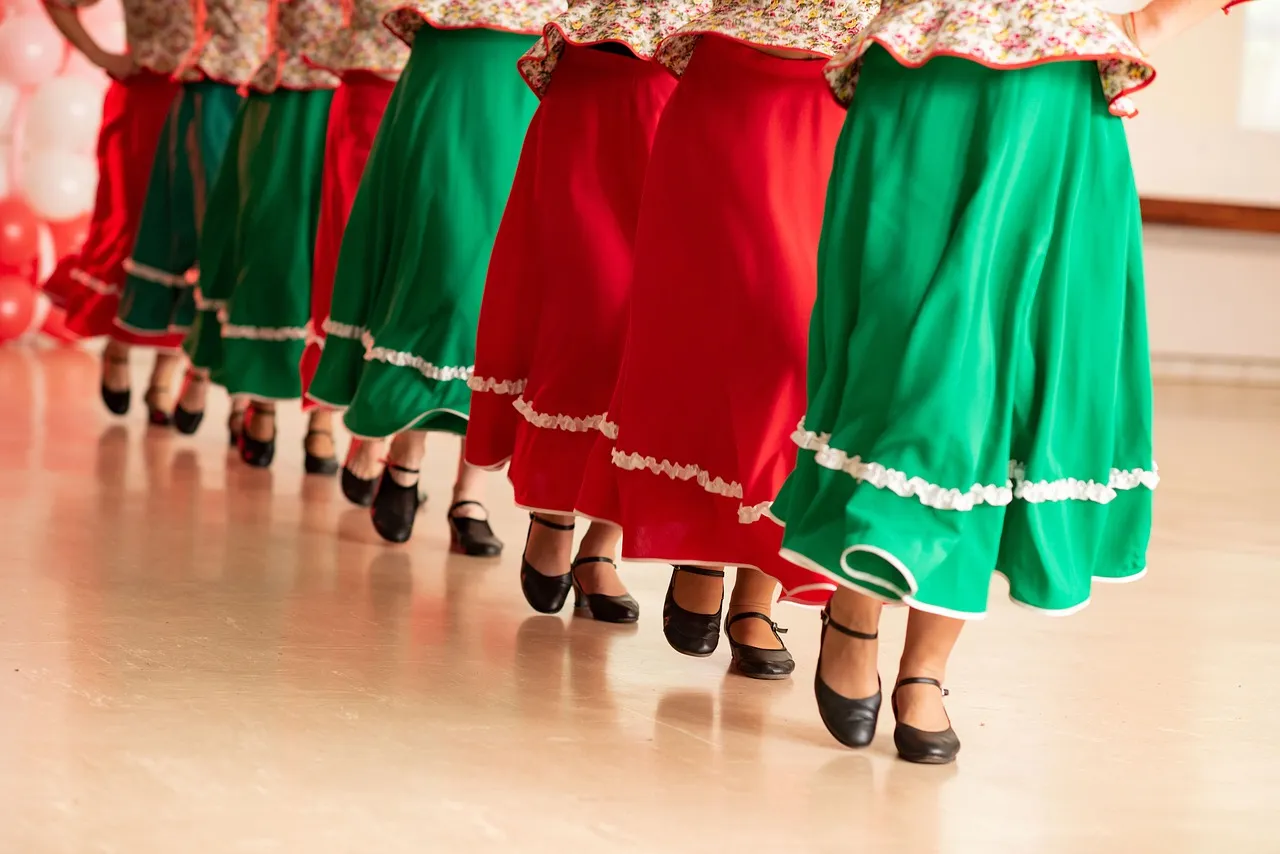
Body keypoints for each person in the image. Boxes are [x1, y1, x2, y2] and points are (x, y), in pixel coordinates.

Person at [769, 0, 1246, 765]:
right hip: (925, 63)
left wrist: (1154, 25)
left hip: (1055, 84)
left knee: (1009, 364)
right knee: (904, 349)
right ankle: (856, 608)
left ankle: (928, 661)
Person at [571, 0, 874, 678]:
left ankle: (757, 590)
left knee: (798, 344)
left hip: (845, 95)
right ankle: (706, 547)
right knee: (721, 333)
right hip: (734, 82)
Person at [465, 0, 712, 625]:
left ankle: (600, 545)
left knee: (651, 336)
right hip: (597, 83)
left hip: (693, 93)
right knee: (589, 309)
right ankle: (553, 506)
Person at [307, 0, 564, 550]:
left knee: (499, 281)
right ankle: (407, 450)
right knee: (440, 268)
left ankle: (469, 491)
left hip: (534, 64)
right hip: (450, 62)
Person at [182, 0, 344, 473]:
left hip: (359, 96)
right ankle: (263, 398)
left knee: (336, 251)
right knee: (275, 239)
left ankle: (324, 416)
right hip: (291, 89)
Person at [112, 0, 269, 437]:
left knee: (254, 240)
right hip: (215, 86)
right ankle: (188, 374)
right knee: (211, 233)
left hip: (277, 92)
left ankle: (237, 396)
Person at [39, 0, 187, 423]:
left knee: (193, 235)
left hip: (216, 101)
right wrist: (99, 55)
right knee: (134, 226)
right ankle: (119, 345)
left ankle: (167, 369)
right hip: (147, 98)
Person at [298, 0, 409, 501]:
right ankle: (321, 409)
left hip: (449, 88)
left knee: (409, 265)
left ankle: (376, 431)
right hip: (369, 86)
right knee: (350, 252)